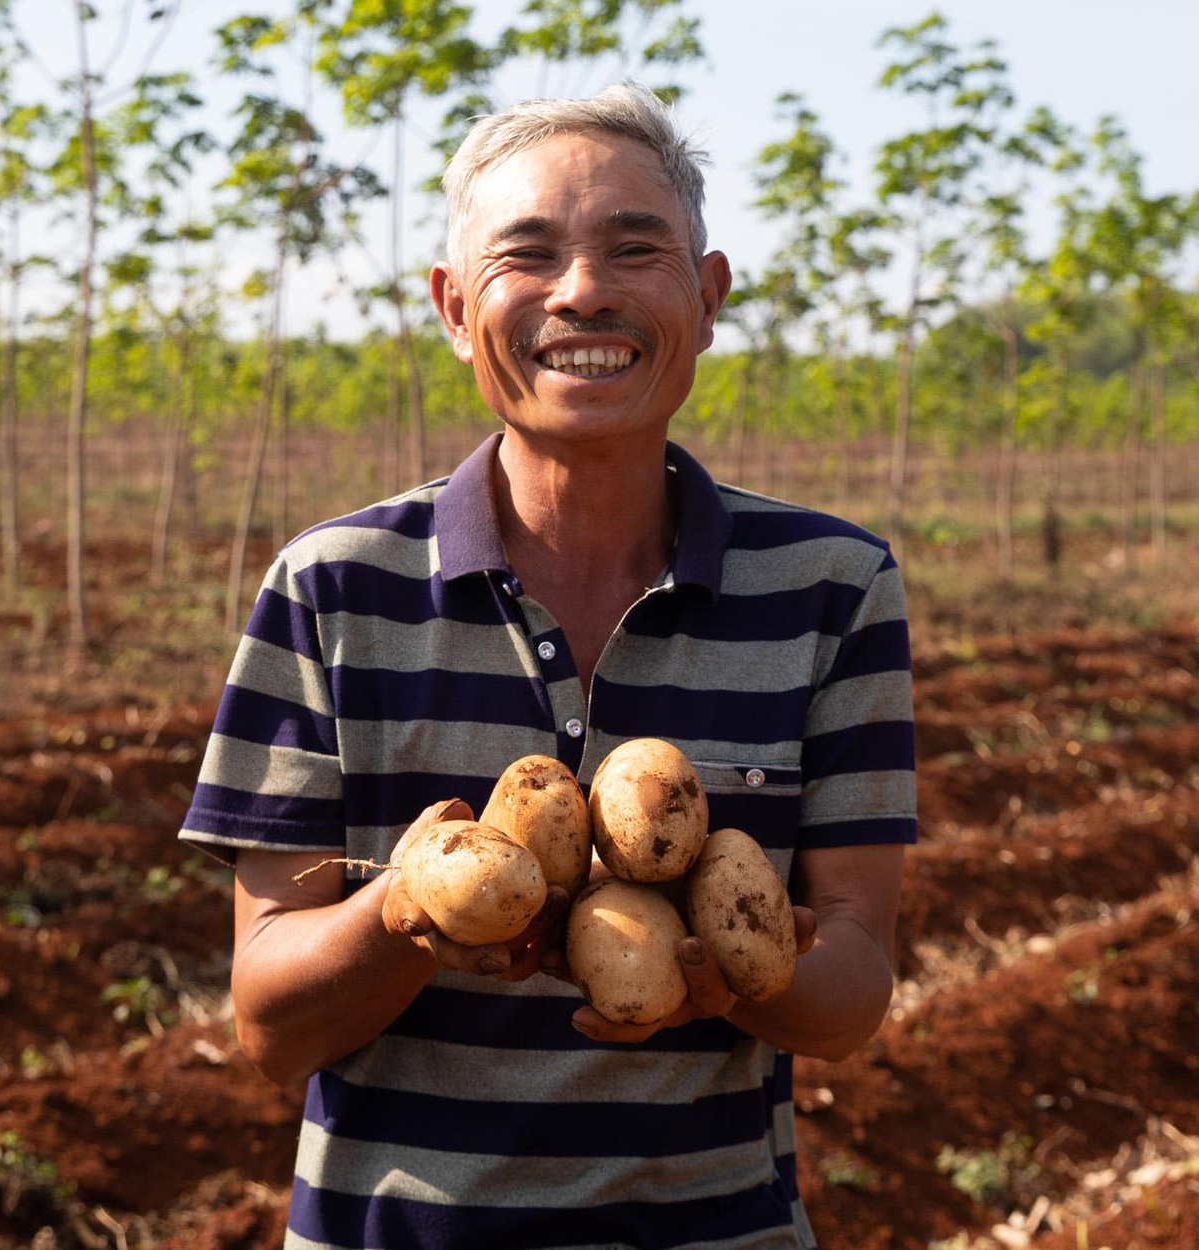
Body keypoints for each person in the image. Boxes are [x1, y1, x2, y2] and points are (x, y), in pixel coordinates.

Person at [180, 83, 914, 1250]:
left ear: (709, 297)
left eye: (635, 247)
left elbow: (854, 981)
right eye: (528, 254)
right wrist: (412, 912)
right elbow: (268, 1024)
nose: (582, 289)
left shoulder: (829, 585)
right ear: (454, 307)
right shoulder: (332, 588)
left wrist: (745, 974)